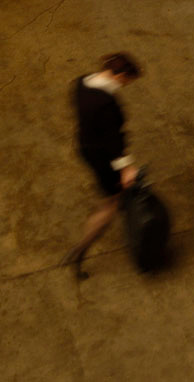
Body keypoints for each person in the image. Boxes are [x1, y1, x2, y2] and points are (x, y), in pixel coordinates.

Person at [62, 52, 143, 277]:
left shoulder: (81, 82)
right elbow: (112, 142)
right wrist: (126, 169)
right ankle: (80, 251)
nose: (126, 85)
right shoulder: (106, 103)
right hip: (101, 157)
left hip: (85, 146)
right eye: (128, 80)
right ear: (120, 75)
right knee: (109, 204)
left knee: (114, 194)